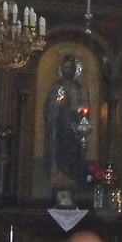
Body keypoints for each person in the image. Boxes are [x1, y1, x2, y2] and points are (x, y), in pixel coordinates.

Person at [45, 54, 91, 194]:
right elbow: (48, 108)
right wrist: (57, 105)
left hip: (74, 126)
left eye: (71, 68)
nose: (68, 70)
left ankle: (73, 179)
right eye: (66, 68)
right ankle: (59, 178)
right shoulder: (56, 86)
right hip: (59, 126)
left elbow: (84, 109)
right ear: (62, 70)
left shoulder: (78, 87)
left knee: (74, 152)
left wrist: (81, 111)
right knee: (60, 152)